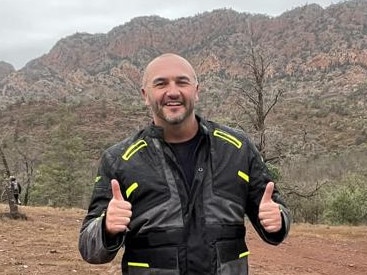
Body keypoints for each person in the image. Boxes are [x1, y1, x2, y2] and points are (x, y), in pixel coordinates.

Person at [79, 53, 291, 274]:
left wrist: (278, 220)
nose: (173, 92)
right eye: (160, 84)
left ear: (196, 91)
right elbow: (88, 247)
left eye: (182, 82)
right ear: (145, 95)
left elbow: (276, 213)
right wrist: (106, 229)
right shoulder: (120, 159)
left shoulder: (237, 148)